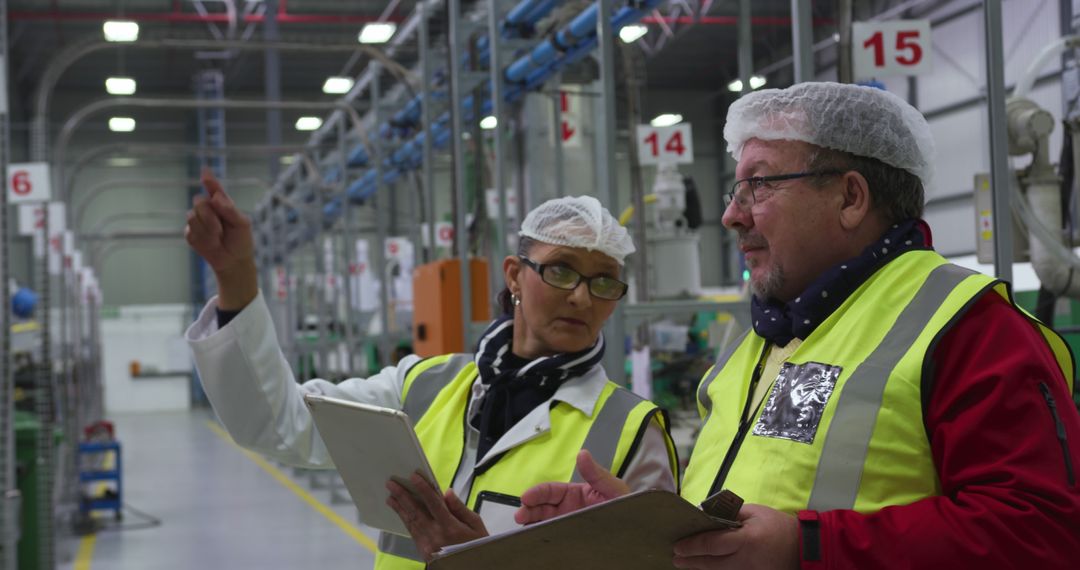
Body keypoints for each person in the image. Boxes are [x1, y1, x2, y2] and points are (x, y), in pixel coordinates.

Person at [516, 81, 1080, 568]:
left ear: (850, 197)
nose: (732, 215)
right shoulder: (764, 341)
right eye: (736, 189)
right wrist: (639, 528)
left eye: (759, 184)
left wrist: (810, 550)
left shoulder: (967, 327)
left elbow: (1043, 535)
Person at [183, 176, 678, 569]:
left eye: (604, 282)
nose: (581, 296)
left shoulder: (629, 430)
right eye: (561, 270)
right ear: (514, 275)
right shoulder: (423, 387)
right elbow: (278, 424)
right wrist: (236, 279)